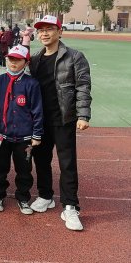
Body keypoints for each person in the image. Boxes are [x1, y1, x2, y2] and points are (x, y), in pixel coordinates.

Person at [29, 15, 92, 231]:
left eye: (49, 29)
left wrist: (83, 115)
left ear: (59, 31)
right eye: (41, 30)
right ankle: (46, 196)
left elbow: (83, 86)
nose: (44, 33)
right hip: (40, 120)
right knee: (41, 159)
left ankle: (70, 206)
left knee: (67, 164)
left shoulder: (74, 57)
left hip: (64, 119)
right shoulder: (35, 59)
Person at [0, 45, 43, 214]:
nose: (13, 62)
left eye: (18, 60)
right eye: (10, 59)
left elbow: (37, 110)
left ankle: (23, 198)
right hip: (2, 136)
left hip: (24, 137)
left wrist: (37, 134)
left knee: (24, 170)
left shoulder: (31, 84)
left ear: (26, 63)